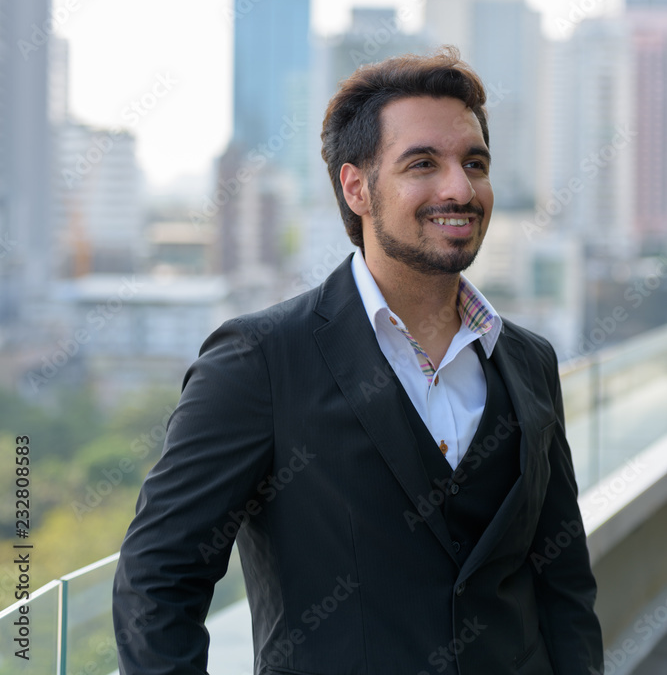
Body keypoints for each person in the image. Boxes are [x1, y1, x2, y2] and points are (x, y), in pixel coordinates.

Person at [113, 46, 604, 675]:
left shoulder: (529, 362)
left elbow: (563, 585)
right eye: (422, 163)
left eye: (474, 163)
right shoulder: (258, 362)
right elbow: (156, 585)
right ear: (357, 187)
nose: (459, 187)